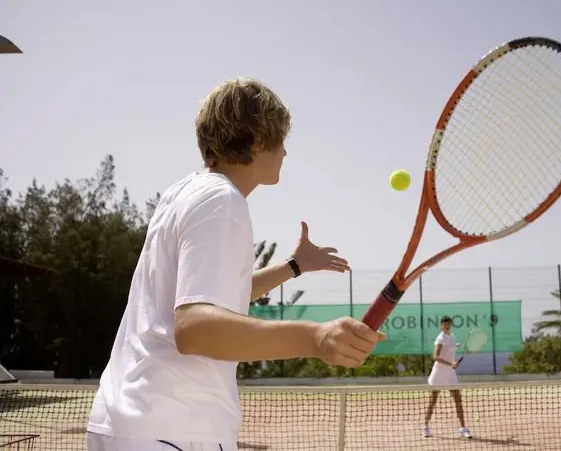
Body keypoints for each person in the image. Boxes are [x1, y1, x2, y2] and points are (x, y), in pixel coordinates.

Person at [85, 77, 386, 451]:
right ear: (259, 141)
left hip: (131, 422)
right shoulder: (222, 202)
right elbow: (195, 327)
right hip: (173, 427)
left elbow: (213, 297)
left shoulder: (184, 192)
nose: (286, 154)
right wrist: (315, 337)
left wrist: (292, 266)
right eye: (282, 141)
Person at [423, 315, 471, 439]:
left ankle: (463, 428)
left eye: (448, 323)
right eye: (444, 323)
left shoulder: (453, 337)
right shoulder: (440, 339)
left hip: (450, 373)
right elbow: (436, 357)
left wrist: (455, 346)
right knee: (433, 400)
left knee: (457, 400)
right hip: (438, 372)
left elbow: (449, 350)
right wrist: (451, 363)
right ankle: (425, 426)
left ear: (451, 325)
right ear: (441, 325)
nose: (447, 325)